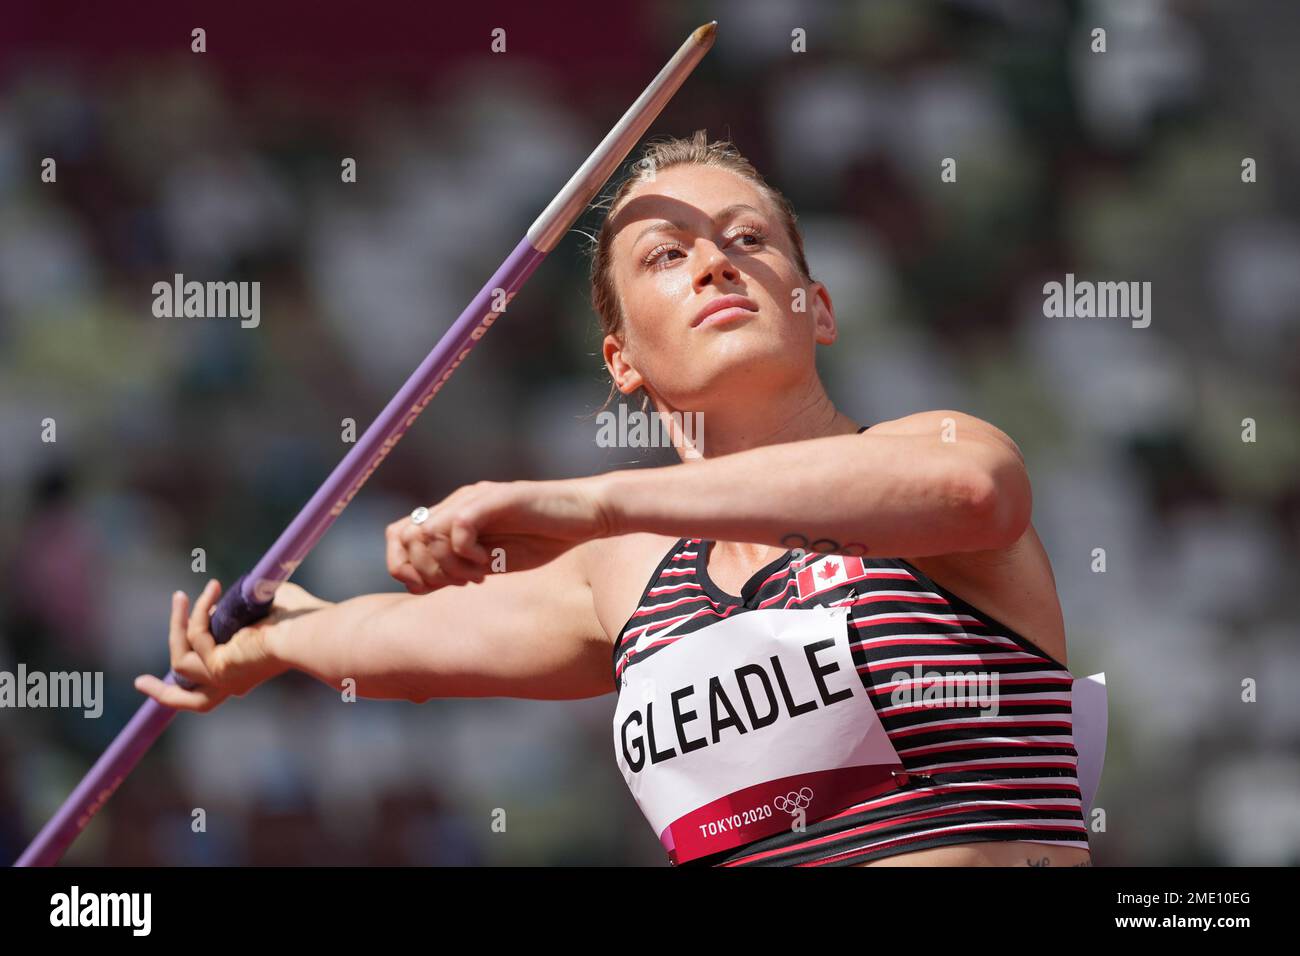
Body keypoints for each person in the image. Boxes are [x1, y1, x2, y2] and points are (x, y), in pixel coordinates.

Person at [136, 131, 1092, 867]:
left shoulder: (937, 449)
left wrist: (593, 504)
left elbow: (972, 493)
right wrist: (260, 643)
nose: (717, 262)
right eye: (666, 257)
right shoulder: (625, 579)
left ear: (819, 307)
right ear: (621, 360)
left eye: (750, 240)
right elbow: (391, 648)